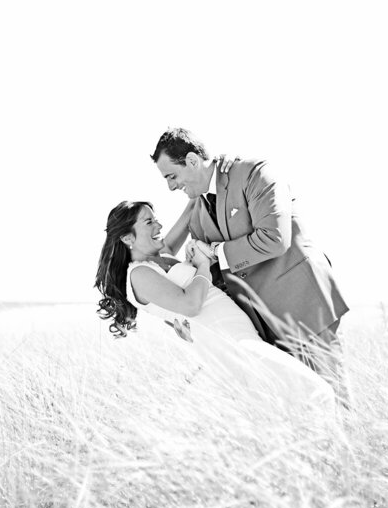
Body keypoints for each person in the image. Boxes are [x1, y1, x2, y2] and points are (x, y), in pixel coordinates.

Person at [150, 128, 350, 405]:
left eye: (172, 176)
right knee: (299, 405)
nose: (171, 187)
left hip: (302, 302)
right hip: (261, 324)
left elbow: (275, 238)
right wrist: (187, 320)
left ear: (193, 161)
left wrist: (214, 252)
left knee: (335, 397)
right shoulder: (197, 214)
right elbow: (197, 269)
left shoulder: (254, 173)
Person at [95, 200, 334, 413]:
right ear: (128, 238)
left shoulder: (163, 257)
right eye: (149, 222)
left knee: (284, 407)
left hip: (241, 337)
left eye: (156, 219)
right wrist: (201, 265)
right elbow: (189, 305)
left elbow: (192, 208)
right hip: (228, 344)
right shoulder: (139, 274)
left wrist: (219, 166)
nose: (159, 226)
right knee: (317, 392)